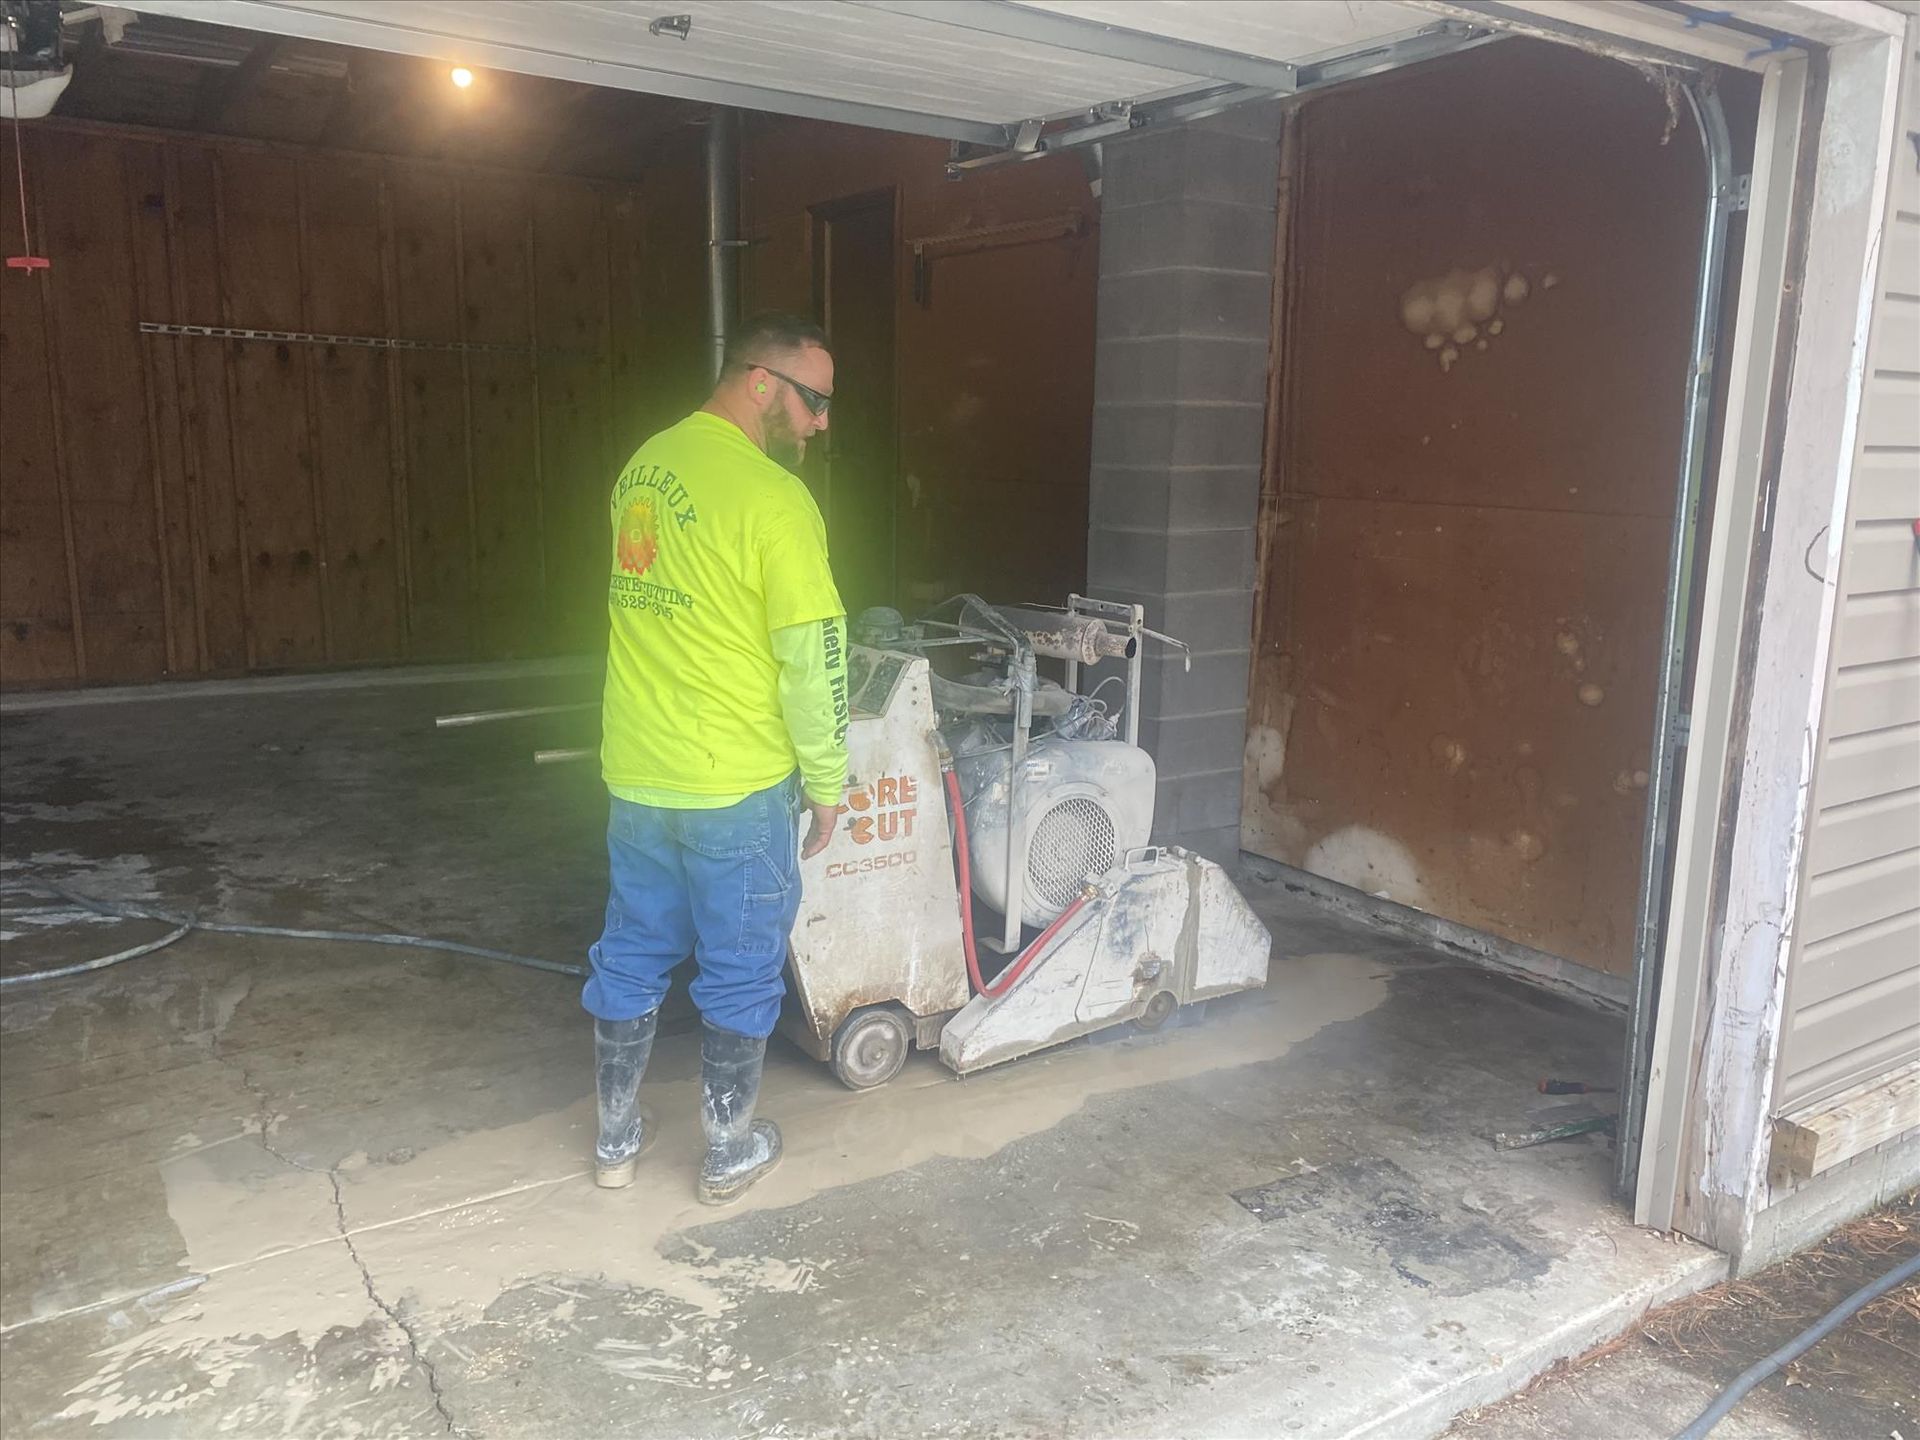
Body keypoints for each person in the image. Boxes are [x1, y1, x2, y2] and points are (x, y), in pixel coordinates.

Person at [584, 313, 849, 1206]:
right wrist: (828, 781)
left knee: (632, 948)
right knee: (739, 963)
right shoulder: (775, 499)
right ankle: (729, 1149)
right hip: (733, 782)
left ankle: (615, 1139)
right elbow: (813, 656)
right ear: (762, 382)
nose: (821, 422)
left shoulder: (644, 467)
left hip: (637, 772)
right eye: (814, 401)